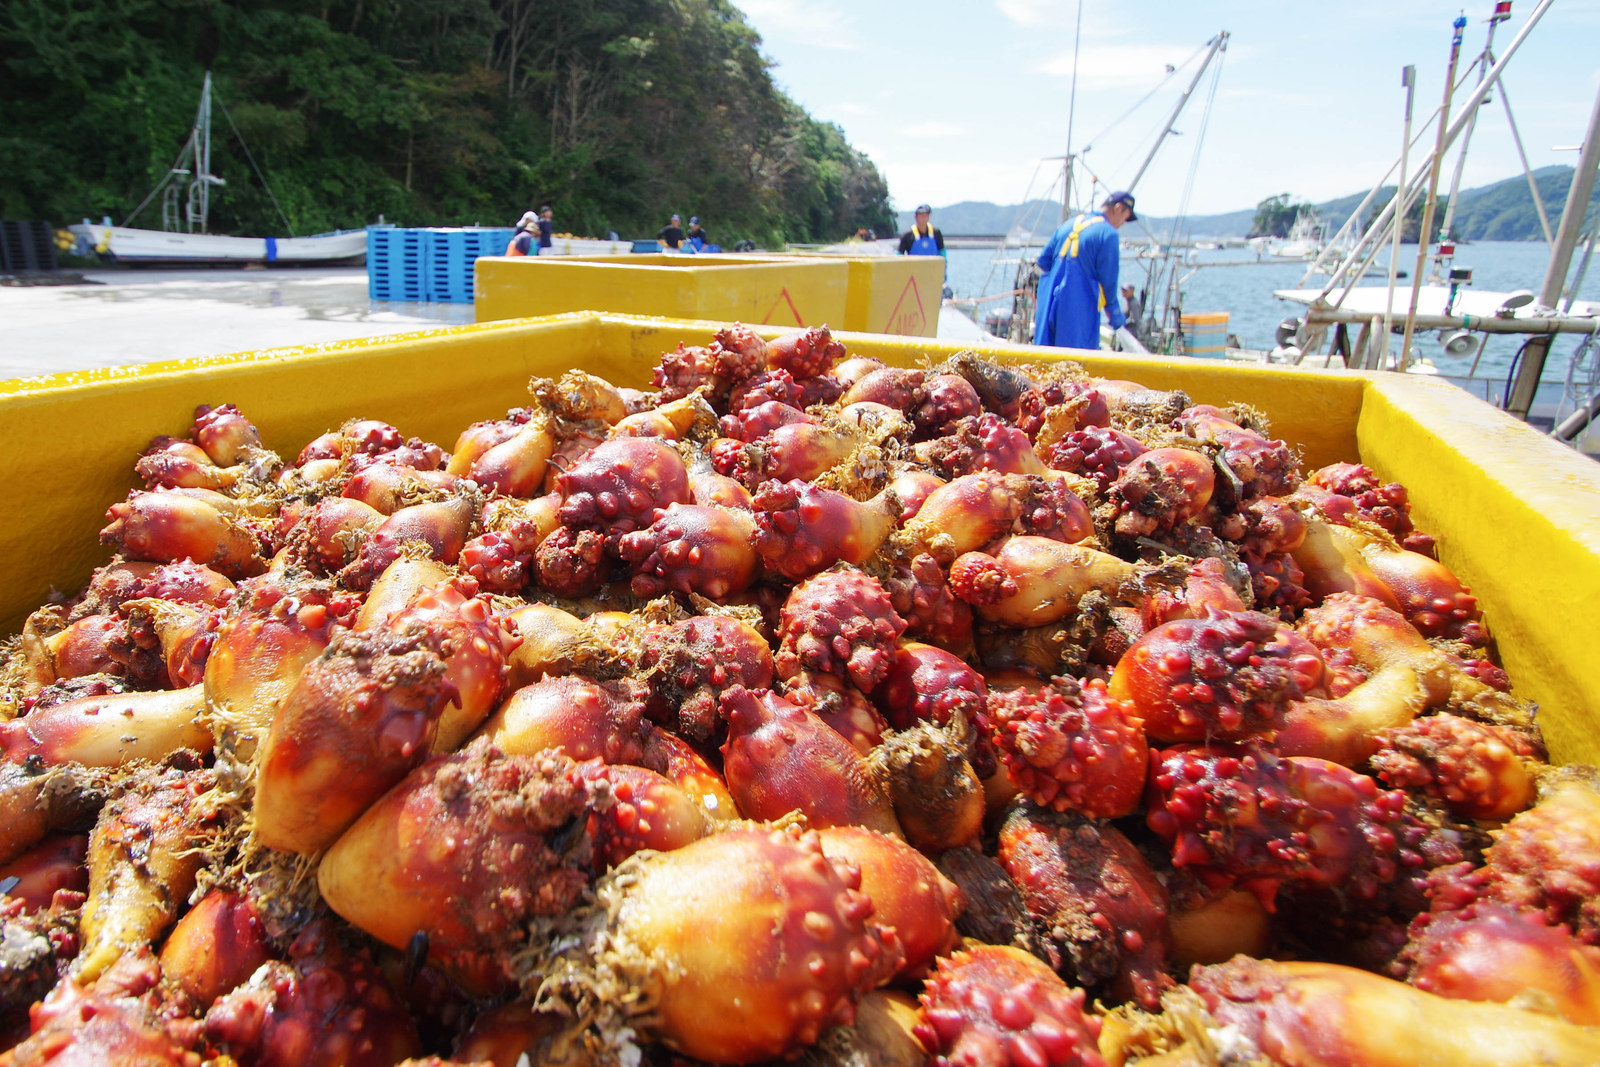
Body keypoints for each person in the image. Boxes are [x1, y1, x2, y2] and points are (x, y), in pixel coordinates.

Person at [1033, 191, 1144, 351]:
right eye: (1125, 217)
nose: (1122, 223)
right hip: (1077, 314)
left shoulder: (1067, 225)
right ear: (1118, 208)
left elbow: (1043, 262)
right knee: (1074, 367)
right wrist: (1115, 315)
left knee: (1044, 364)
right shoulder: (1108, 234)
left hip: (1048, 309)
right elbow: (1109, 282)